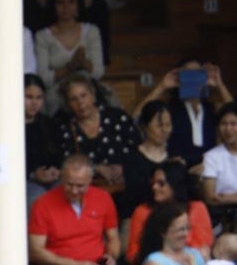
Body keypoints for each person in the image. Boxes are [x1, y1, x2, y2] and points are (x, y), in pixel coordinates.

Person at [28, 153, 124, 265]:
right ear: (61, 178)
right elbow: (36, 250)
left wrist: (111, 256)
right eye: (69, 184)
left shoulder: (103, 198)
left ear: (90, 181)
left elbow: (113, 238)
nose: (74, 190)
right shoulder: (43, 204)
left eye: (80, 186)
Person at [131, 60, 233, 173]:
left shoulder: (211, 109)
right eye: (188, 74)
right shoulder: (171, 109)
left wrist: (219, 84)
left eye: (198, 74)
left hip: (208, 169)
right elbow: (136, 117)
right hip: (178, 170)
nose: (193, 78)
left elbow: (234, 114)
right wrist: (162, 86)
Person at [57, 74, 139, 202]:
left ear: (93, 95)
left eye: (83, 96)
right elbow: (66, 164)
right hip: (88, 193)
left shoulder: (117, 117)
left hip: (125, 186)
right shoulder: (66, 129)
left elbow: (139, 150)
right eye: (74, 99)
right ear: (68, 104)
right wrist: (95, 169)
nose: (80, 102)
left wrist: (125, 167)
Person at [34, 0, 106, 116]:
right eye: (60, 2)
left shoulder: (91, 31)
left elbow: (98, 72)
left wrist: (83, 62)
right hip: (57, 93)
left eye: (71, 2)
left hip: (89, 89)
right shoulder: (42, 36)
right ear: (53, 6)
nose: (66, 7)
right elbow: (43, 78)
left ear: (78, 5)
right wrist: (69, 67)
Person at [120, 100, 190, 232]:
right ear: (145, 126)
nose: (165, 130)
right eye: (159, 125)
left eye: (168, 125)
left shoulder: (176, 154)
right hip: (139, 215)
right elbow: (134, 194)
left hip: (173, 215)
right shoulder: (132, 158)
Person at [126, 164, 213, 265]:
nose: (154, 187)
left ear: (175, 184)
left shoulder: (196, 208)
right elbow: (133, 253)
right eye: (153, 183)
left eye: (161, 183)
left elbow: (202, 247)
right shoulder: (142, 211)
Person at [25, 73, 63, 207]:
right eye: (29, 97)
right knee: (37, 195)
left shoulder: (49, 124)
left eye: (39, 98)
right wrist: (33, 175)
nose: (34, 102)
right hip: (21, 181)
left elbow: (59, 155)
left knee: (64, 190)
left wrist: (56, 171)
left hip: (50, 180)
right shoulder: (8, 128)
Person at [201, 102, 237, 229]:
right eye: (223, 124)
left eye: (233, 124)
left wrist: (226, 197)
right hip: (223, 218)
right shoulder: (212, 156)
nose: (228, 129)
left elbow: (219, 197)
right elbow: (210, 197)